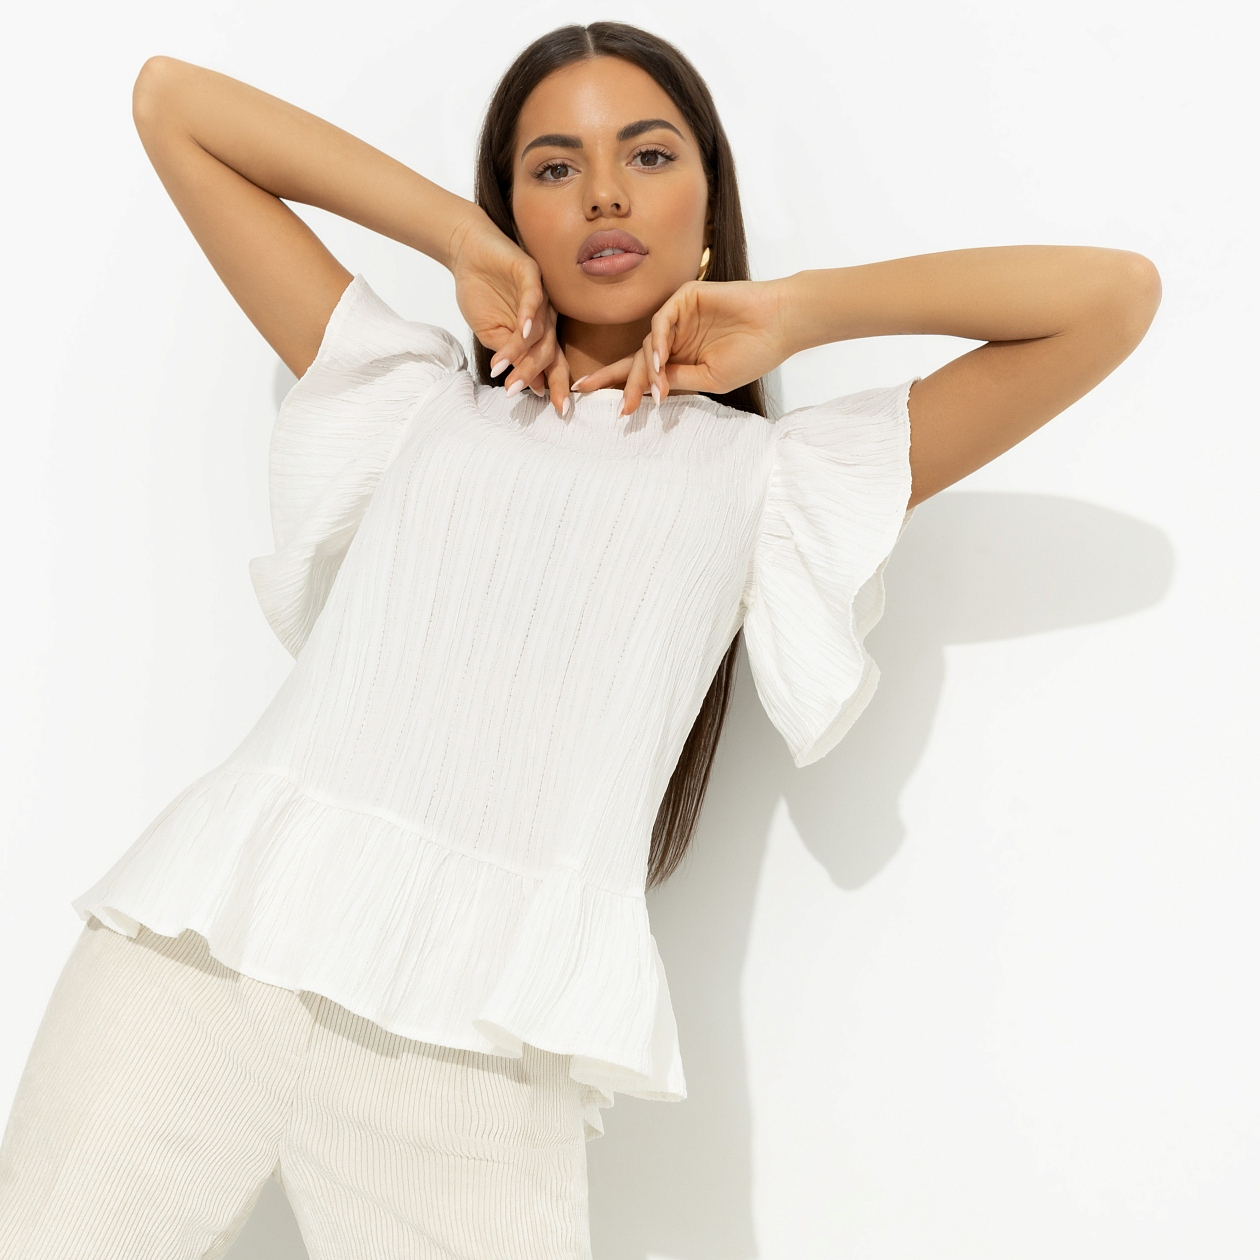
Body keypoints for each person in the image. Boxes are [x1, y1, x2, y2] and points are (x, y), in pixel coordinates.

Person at [0, 20, 1160, 1260]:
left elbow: (1112, 299)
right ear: (512, 207)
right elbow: (174, 102)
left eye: (649, 155)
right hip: (198, 965)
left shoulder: (773, 478)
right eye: (553, 167)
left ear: (709, 192)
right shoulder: (409, 400)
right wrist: (458, 240)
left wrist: (796, 312)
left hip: (483, 1044)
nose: (605, 192)